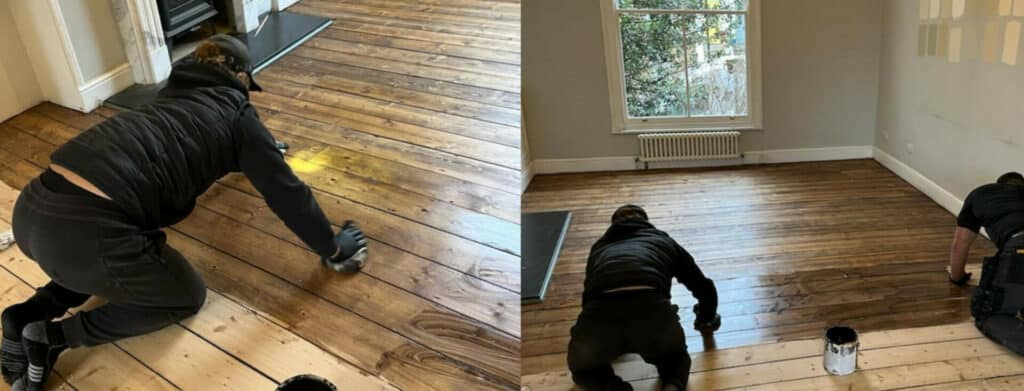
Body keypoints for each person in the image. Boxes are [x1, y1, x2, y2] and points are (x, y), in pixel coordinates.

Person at [0, 34, 369, 391]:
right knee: (183, 294)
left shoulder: (163, 102)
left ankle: (23, 316)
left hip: (34, 208)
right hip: (86, 232)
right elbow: (287, 193)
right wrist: (334, 247)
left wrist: (263, 148)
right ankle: (53, 337)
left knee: (95, 258)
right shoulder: (237, 114)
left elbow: (196, 143)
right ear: (241, 78)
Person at [567, 205, 721, 391]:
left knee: (584, 369)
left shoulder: (601, 246)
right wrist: (705, 318)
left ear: (614, 224)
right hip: (653, 309)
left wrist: (594, 333)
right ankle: (672, 386)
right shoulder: (662, 240)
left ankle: (614, 389)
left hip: (600, 309)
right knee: (675, 361)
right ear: (646, 222)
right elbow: (703, 287)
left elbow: (588, 294)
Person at [948, 172, 1024, 355]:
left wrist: (957, 278)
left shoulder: (982, 194)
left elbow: (961, 243)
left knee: (989, 313)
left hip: (1020, 248)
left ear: (999, 185)